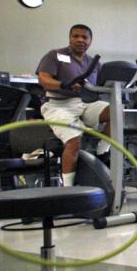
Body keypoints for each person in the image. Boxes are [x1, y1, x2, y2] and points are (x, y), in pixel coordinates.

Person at [36, 24, 109, 186]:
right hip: (59, 105)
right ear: (70, 38)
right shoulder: (55, 55)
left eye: (84, 37)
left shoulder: (94, 62)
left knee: (115, 112)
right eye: (76, 36)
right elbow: (43, 79)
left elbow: (103, 84)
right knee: (74, 141)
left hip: (85, 103)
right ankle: (68, 188)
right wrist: (64, 85)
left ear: (90, 41)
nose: (80, 40)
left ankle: (102, 152)